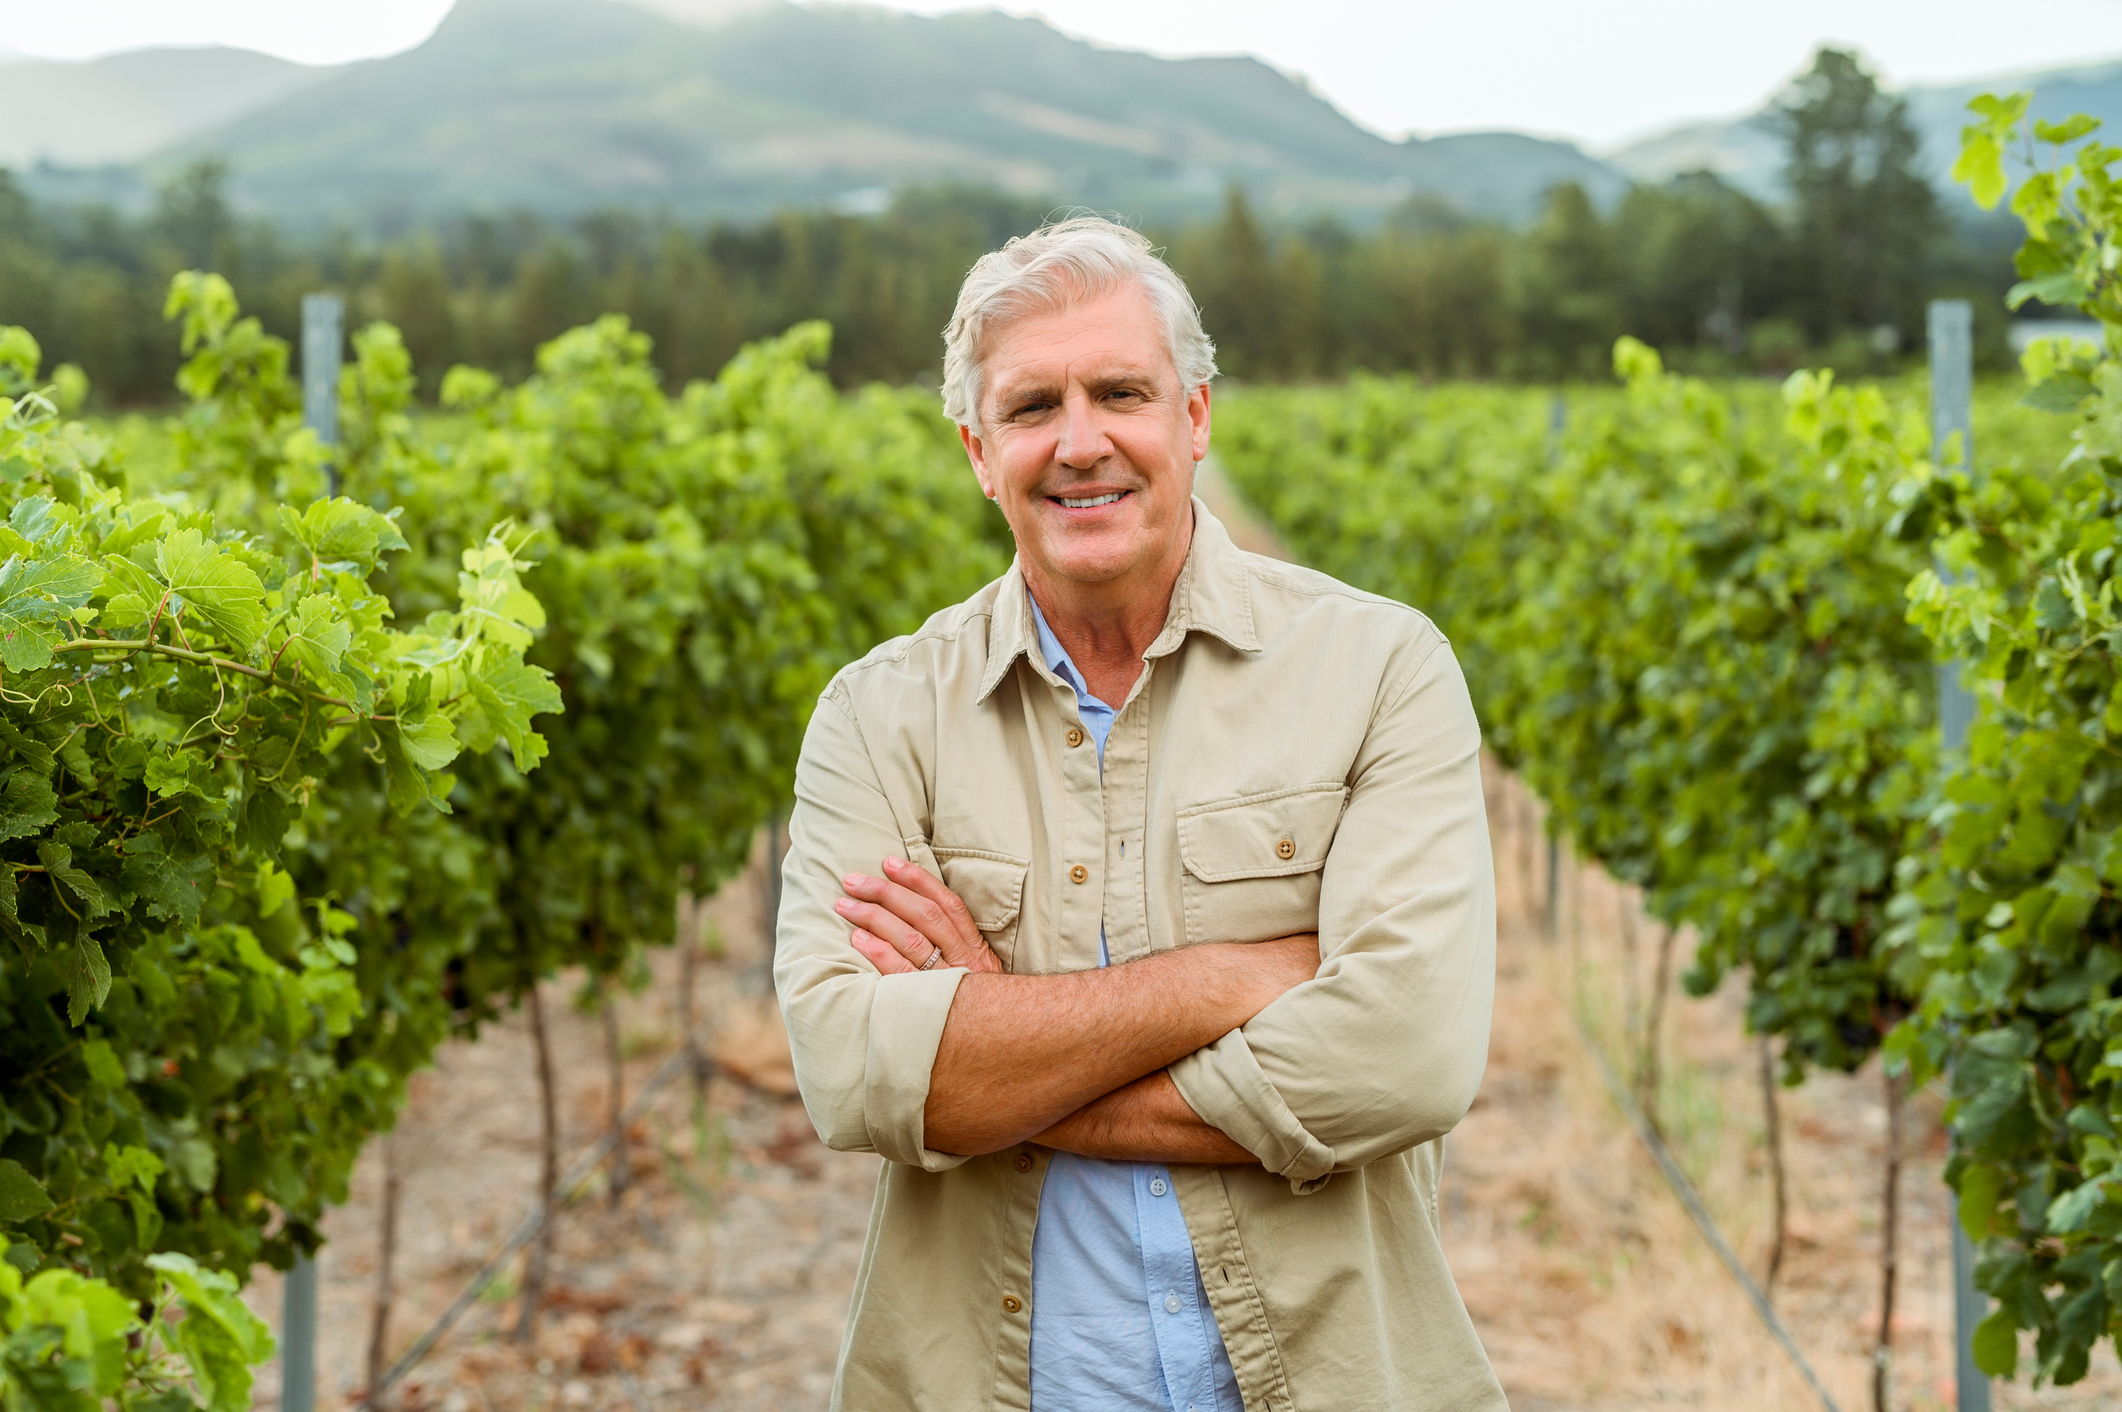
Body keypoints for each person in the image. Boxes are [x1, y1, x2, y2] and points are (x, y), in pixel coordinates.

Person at [774, 215, 1504, 1411]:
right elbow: (853, 1072)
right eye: (1029, 407)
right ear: (974, 447)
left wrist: (992, 1048)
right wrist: (1230, 979)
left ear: (1195, 417)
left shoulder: (1379, 667)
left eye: (1120, 391)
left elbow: (1405, 1056)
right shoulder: (878, 714)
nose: (1079, 442)